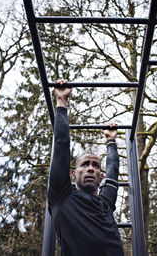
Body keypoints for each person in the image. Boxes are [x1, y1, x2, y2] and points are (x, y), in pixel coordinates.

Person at [48, 79, 124, 256]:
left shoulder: (105, 203)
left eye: (96, 166)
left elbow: (113, 172)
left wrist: (111, 141)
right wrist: (61, 103)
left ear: (100, 175)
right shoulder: (62, 195)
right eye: (85, 164)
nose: (91, 168)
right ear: (73, 173)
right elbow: (61, 146)